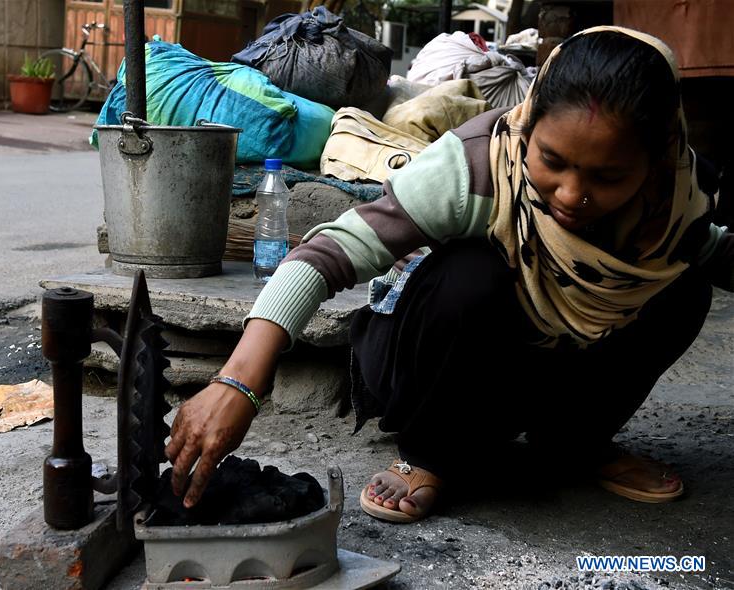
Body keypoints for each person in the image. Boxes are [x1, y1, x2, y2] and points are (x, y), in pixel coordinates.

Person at [165, 26, 734, 523]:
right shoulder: (475, 164)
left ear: (657, 160)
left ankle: (575, 445)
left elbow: (715, 250)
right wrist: (237, 381)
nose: (572, 195)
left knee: (683, 287)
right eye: (553, 161)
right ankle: (430, 452)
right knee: (472, 271)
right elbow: (327, 253)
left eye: (608, 177)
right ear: (529, 122)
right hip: (431, 365)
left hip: (547, 369)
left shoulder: (678, 199)